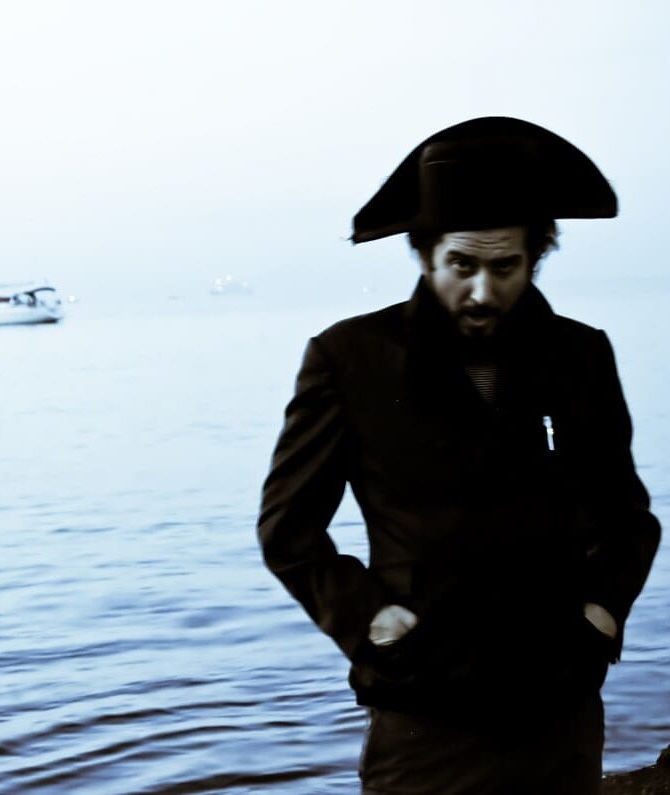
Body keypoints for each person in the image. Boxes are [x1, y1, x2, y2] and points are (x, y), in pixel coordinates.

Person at [257, 117, 661, 794]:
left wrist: (601, 613)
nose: (481, 291)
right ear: (425, 255)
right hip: (422, 707)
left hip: (557, 702)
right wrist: (369, 621)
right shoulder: (349, 358)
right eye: (462, 266)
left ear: (535, 257)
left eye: (505, 267)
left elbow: (627, 518)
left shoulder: (580, 355)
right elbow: (287, 530)